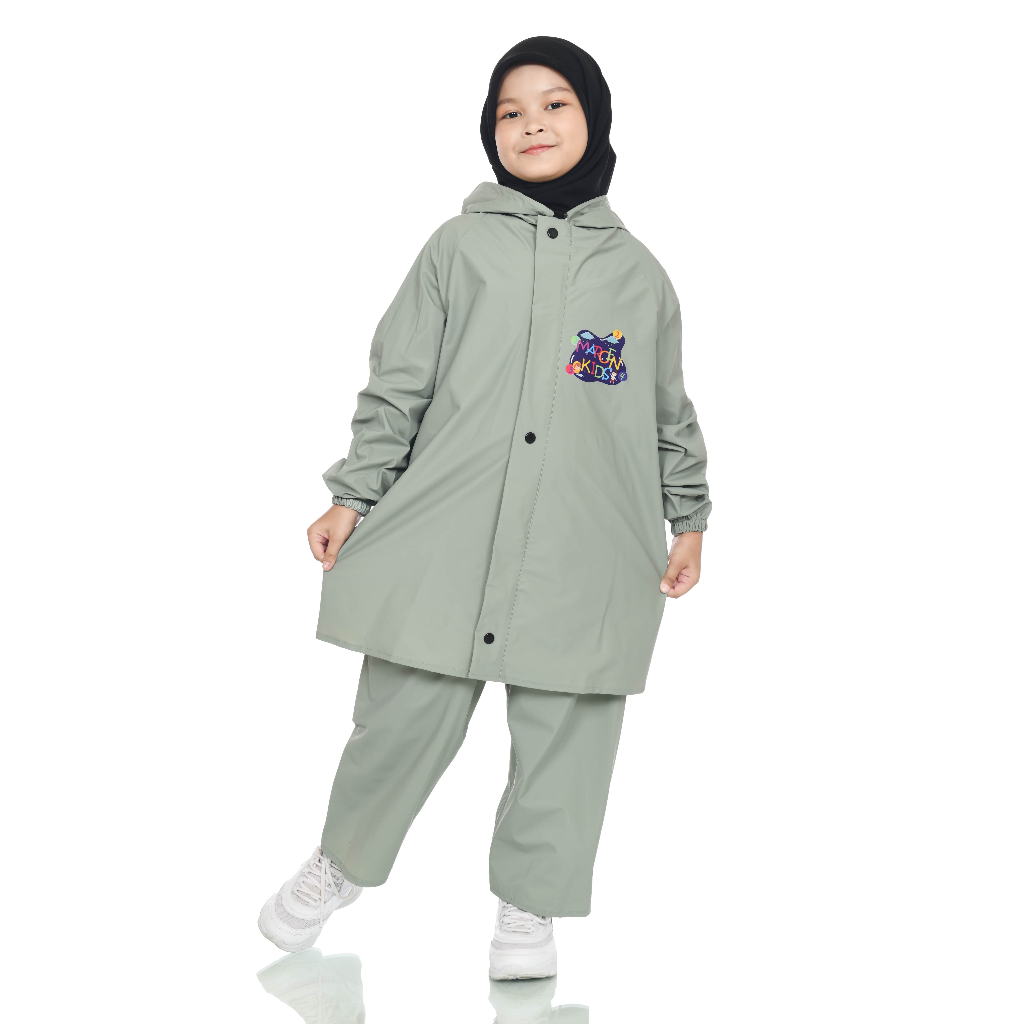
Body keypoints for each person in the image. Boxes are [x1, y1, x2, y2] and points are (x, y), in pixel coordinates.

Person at [258, 35, 711, 981]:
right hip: (449, 530)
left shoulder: (639, 276)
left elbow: (666, 410)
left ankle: (530, 904)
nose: (531, 123)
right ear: (489, 132)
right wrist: (353, 493)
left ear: (596, 120)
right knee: (402, 712)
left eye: (555, 104)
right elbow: (400, 381)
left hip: (587, 542)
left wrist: (690, 518)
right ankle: (342, 859)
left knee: (569, 728)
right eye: (511, 111)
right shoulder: (456, 248)